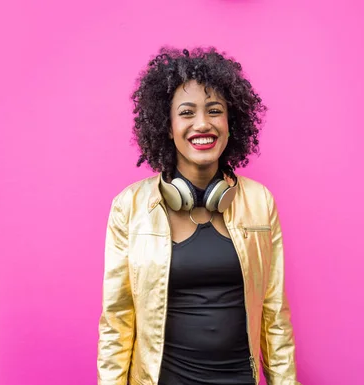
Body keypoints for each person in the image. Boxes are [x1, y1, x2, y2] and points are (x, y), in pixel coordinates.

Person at [97, 47, 300, 385]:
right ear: (168, 125)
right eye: (187, 112)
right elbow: (116, 322)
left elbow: (274, 315)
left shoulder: (260, 202)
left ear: (230, 122)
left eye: (214, 110)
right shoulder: (129, 207)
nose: (202, 124)